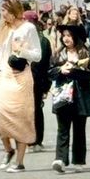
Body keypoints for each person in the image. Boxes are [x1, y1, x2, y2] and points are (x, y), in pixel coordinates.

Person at [0, 0, 43, 173]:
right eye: (2, 11)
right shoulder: (4, 28)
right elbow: (3, 54)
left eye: (5, 11)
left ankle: (19, 161)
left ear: (14, 11)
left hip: (21, 76)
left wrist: (22, 51)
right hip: (4, 75)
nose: (3, 15)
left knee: (20, 118)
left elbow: (37, 55)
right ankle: (8, 149)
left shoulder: (28, 28)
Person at [49, 23, 90, 172]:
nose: (65, 39)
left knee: (79, 128)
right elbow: (49, 72)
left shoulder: (86, 52)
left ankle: (79, 160)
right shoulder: (58, 54)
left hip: (81, 95)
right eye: (64, 36)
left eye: (68, 36)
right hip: (62, 95)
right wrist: (60, 69)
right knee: (62, 128)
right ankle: (60, 159)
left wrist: (76, 70)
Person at [25, 10, 53, 152]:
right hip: (36, 79)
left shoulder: (38, 40)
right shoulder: (42, 39)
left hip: (32, 79)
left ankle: (34, 140)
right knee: (35, 109)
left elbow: (41, 64)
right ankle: (35, 139)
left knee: (33, 109)